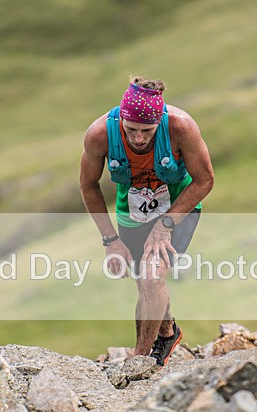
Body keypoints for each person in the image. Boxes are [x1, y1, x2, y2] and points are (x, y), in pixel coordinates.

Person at [79, 76, 214, 365]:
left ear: (159, 122)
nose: (139, 138)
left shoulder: (181, 127)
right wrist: (110, 240)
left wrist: (165, 225)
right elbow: (88, 185)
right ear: (121, 120)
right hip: (132, 213)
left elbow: (205, 180)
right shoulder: (99, 134)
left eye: (147, 131)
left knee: (153, 278)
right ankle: (167, 332)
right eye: (131, 130)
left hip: (178, 208)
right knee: (145, 284)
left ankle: (140, 359)